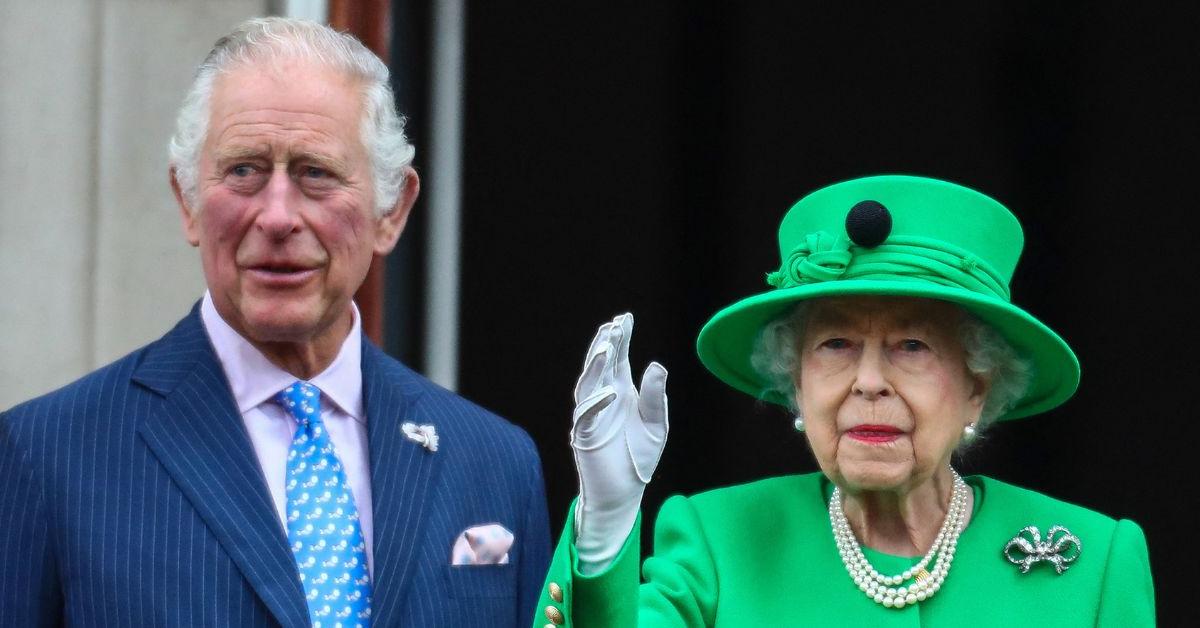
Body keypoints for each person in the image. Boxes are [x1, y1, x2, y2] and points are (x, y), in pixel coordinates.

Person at [0, 17, 549, 627]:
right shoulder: (49, 457)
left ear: (390, 210)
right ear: (187, 201)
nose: (278, 215)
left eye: (315, 172)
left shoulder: (495, 463)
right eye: (243, 171)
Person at [531, 175, 1154, 626]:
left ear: (977, 390)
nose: (869, 381)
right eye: (835, 343)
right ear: (796, 383)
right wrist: (607, 525)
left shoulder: (1094, 562)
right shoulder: (718, 543)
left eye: (911, 344)